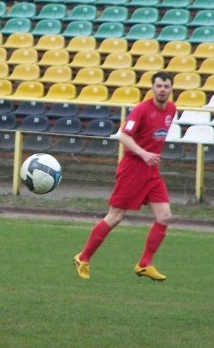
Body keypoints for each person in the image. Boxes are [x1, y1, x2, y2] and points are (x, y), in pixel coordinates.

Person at [73, 71, 176, 282]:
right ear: (152, 87)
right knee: (116, 216)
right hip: (133, 169)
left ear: (171, 88)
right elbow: (122, 135)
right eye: (158, 86)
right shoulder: (141, 110)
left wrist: (149, 156)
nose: (162, 90)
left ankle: (144, 264)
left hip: (151, 171)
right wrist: (143, 153)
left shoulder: (172, 110)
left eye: (166, 86)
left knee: (164, 216)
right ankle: (83, 257)